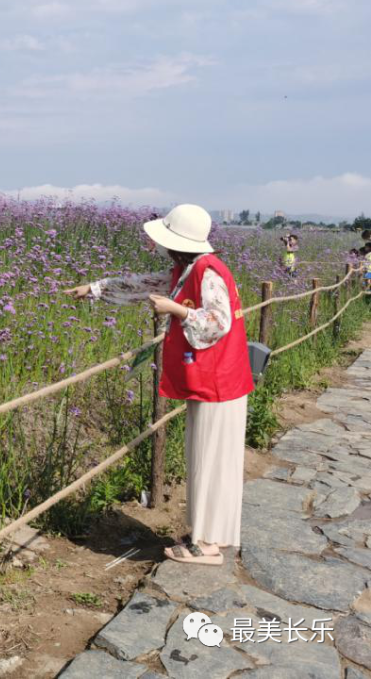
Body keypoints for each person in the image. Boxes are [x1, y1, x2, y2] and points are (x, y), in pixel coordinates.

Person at [66, 204, 254, 566]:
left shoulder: (208, 271)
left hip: (220, 383)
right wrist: (94, 289)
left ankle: (208, 544)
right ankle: (204, 534)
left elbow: (218, 322)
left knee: (213, 460)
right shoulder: (188, 269)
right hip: (215, 381)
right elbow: (144, 285)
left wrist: (177, 310)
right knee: (205, 457)